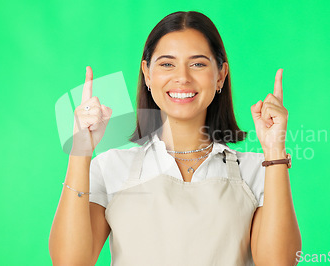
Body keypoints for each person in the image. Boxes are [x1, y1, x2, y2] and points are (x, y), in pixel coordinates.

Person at [49, 11, 301, 266]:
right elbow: (70, 261)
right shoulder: (110, 168)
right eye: (167, 64)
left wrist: (275, 151)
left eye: (198, 63)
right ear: (147, 73)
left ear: (221, 75)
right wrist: (80, 150)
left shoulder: (257, 170)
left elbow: (278, 262)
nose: (182, 77)